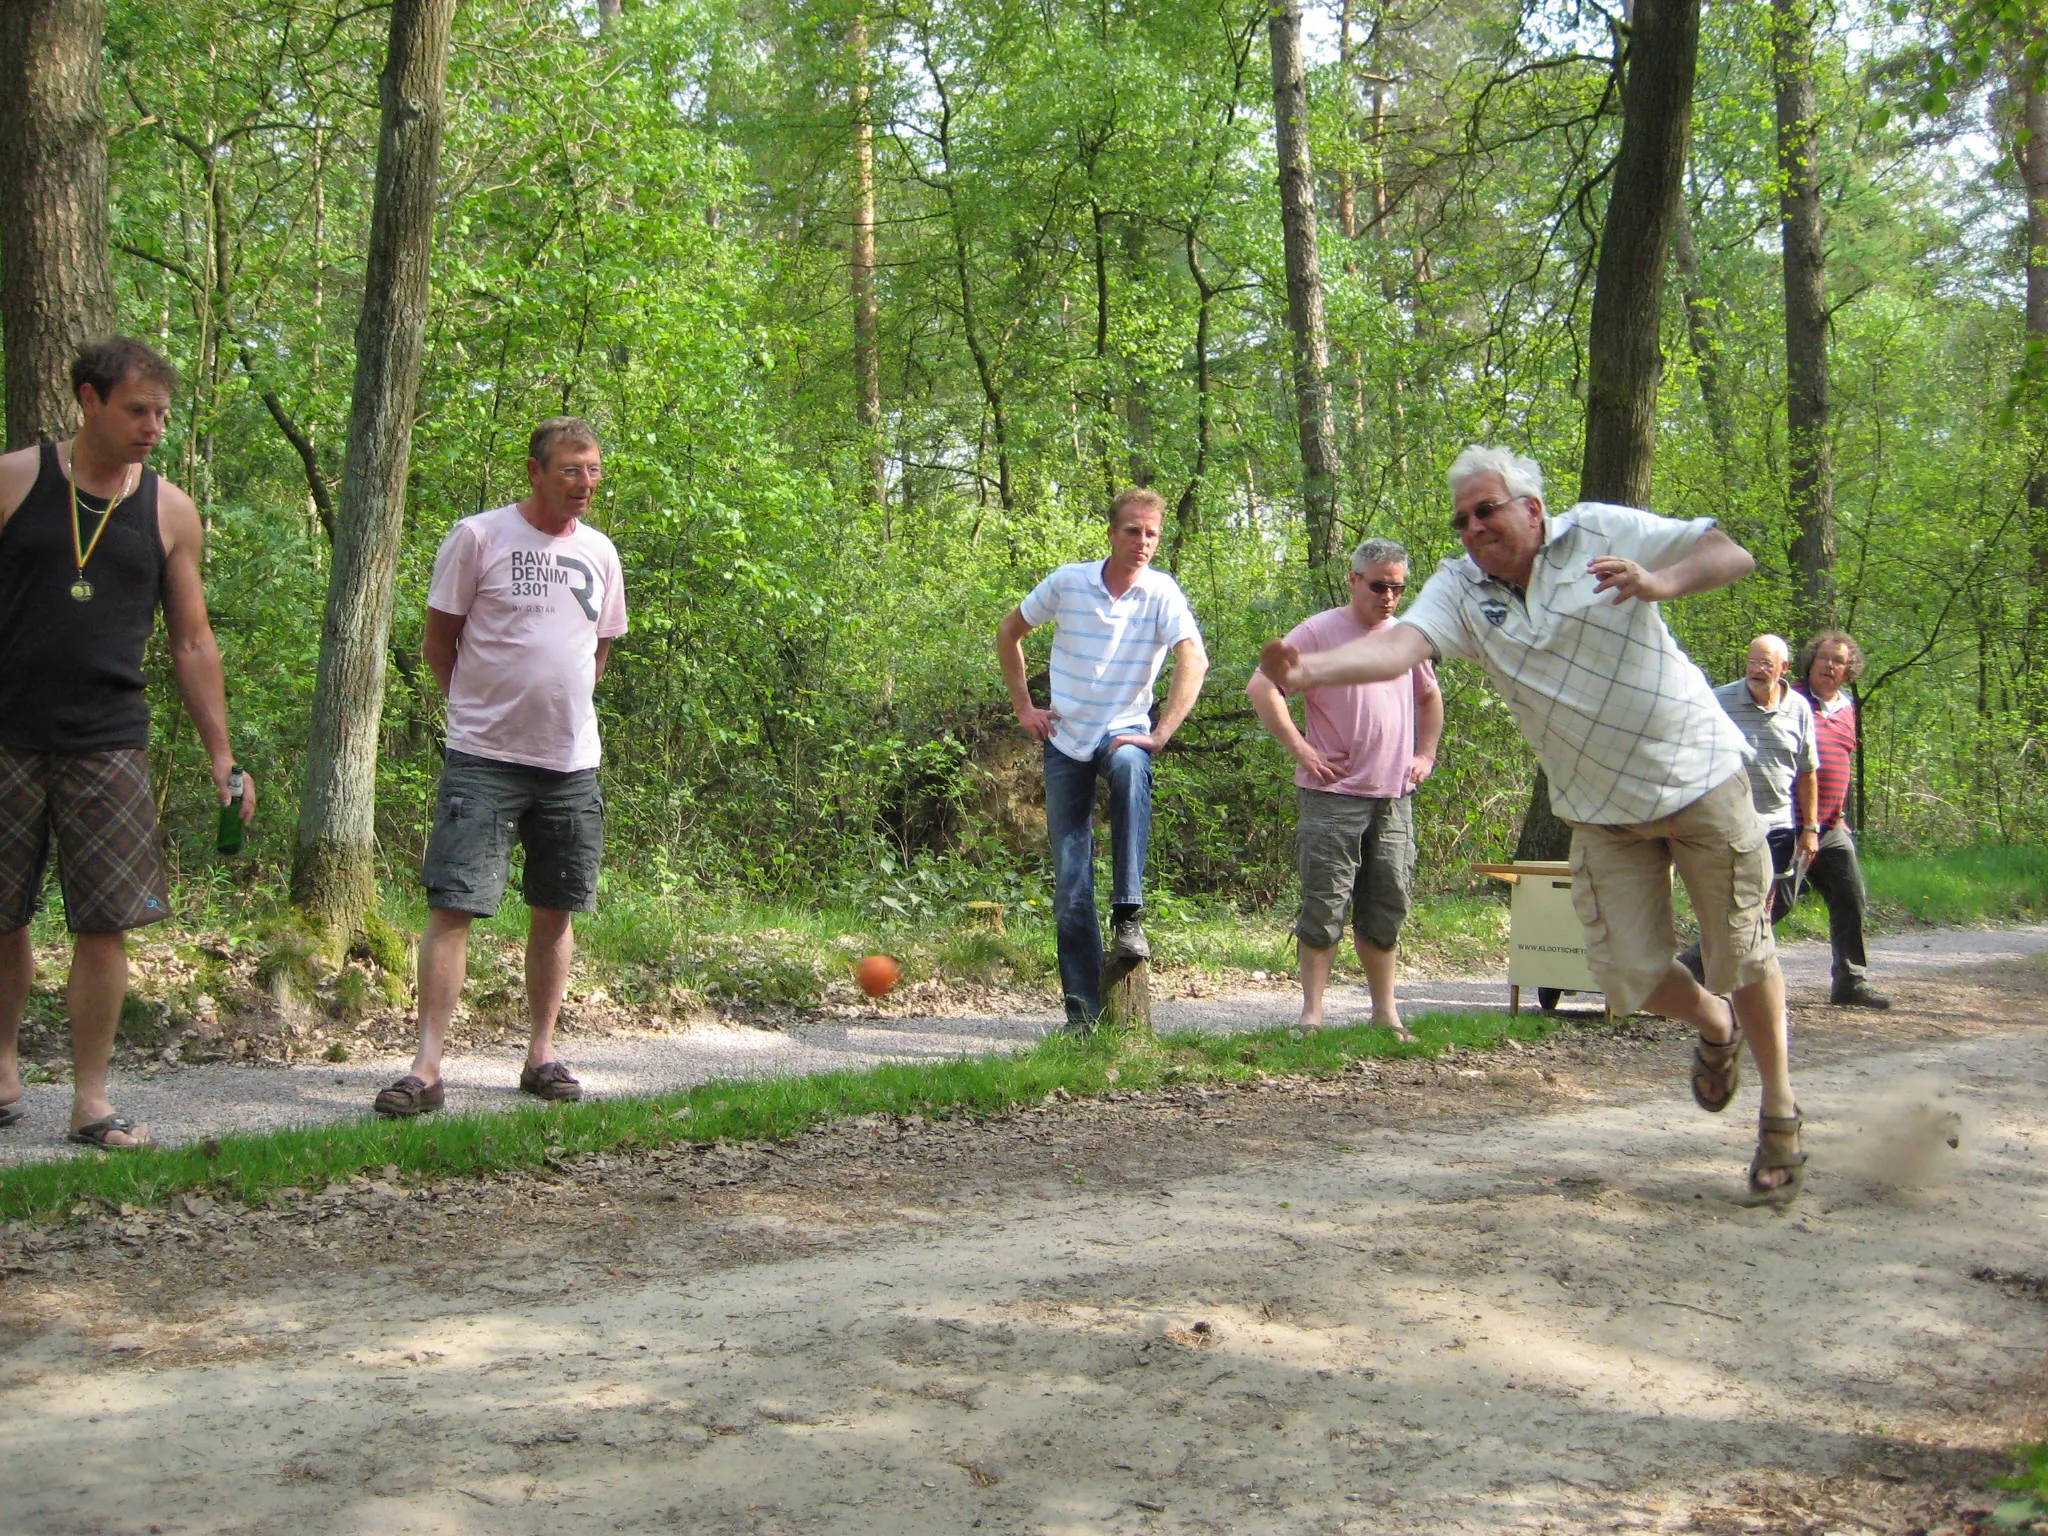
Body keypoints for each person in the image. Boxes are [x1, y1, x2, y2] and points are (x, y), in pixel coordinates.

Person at [1258, 446, 1807, 1202]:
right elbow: (1403, 646)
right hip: (1601, 810)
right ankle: (1715, 1024)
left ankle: (1779, 1112)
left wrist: (1660, 581)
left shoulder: (1598, 532)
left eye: (1487, 509)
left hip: (1699, 775)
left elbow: (1728, 551)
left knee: (1741, 950)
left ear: (1533, 509)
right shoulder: (1459, 588)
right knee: (1629, 975)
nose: (1473, 527)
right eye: (1462, 519)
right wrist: (1309, 673)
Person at [0, 337, 256, 1149]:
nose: (153, 427)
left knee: (103, 923)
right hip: (6, 733)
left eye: (162, 415)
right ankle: (2, 1070)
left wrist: (223, 758)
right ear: (89, 400)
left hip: (109, 739)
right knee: (2, 918)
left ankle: (91, 1101)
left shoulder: (169, 509)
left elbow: (192, 642)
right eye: (138, 411)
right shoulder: (13, 481)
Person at [373, 417, 627, 1116]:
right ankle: (426, 1070)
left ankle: (540, 1054)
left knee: (555, 909)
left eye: (595, 470)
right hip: (483, 759)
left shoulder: (602, 553)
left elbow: (600, 648)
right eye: (572, 469)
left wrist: (561, 710)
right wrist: (481, 714)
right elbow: (438, 642)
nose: (586, 483)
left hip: (571, 764)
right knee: (452, 905)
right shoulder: (478, 537)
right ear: (536, 471)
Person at [995, 488, 1208, 1030]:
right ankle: (1081, 1015)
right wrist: (1025, 707)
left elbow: (1194, 657)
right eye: (1133, 530)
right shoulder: (1069, 582)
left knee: (1135, 767)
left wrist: (1160, 733)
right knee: (1070, 883)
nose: (1143, 542)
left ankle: (1129, 912)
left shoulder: (1162, 592)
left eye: (1152, 533)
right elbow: (1009, 631)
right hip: (1066, 740)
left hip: (1124, 733)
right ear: (1112, 533)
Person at [1246, 538, 1443, 1038]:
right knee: (1325, 903)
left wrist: (1425, 755)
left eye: (1398, 587)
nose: (1389, 596)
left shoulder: (1407, 637)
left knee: (1387, 904)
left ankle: (1385, 1015)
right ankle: (1311, 1017)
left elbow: (1429, 697)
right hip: (1332, 795)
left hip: (1394, 796)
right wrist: (1302, 750)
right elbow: (1262, 686)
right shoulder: (1318, 631)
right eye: (1379, 586)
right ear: (1354, 580)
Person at [1676, 634, 1819, 981]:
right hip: (1731, 823)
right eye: (1752, 661)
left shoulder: (1799, 708)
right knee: (1738, 910)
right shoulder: (1720, 701)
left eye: (1766, 664)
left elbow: (1808, 770)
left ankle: (1690, 972)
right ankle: (1740, 985)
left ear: (1783, 669)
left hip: (1779, 825)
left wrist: (1811, 828)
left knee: (1774, 905)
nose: (1756, 670)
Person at [1790, 630, 1889, 1009]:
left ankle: (1850, 982)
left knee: (1850, 897)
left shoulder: (1847, 708)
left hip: (1831, 827)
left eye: (1838, 661)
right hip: (1792, 825)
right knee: (1772, 904)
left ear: (1849, 671)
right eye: (1824, 658)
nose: (1830, 666)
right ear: (1811, 662)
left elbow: (1840, 763)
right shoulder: (1791, 698)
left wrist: (1840, 814)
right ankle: (1697, 973)